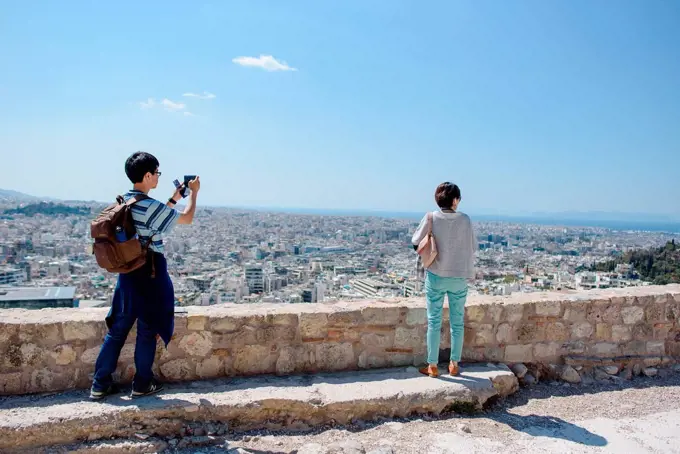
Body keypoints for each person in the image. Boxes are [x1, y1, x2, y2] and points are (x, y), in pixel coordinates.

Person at [90, 151, 200, 399]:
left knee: (118, 329)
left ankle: (99, 384)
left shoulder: (124, 201)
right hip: (150, 271)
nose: (158, 177)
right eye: (157, 173)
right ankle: (142, 384)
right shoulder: (149, 206)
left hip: (127, 273)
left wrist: (173, 199)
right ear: (148, 175)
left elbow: (154, 221)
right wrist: (194, 193)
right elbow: (187, 218)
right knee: (148, 329)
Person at [411, 182, 476, 377]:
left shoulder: (431, 217)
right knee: (457, 323)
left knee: (434, 321)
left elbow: (416, 242)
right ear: (455, 200)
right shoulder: (465, 220)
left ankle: (432, 366)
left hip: (436, 275)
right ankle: (454, 364)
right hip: (459, 277)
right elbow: (473, 246)